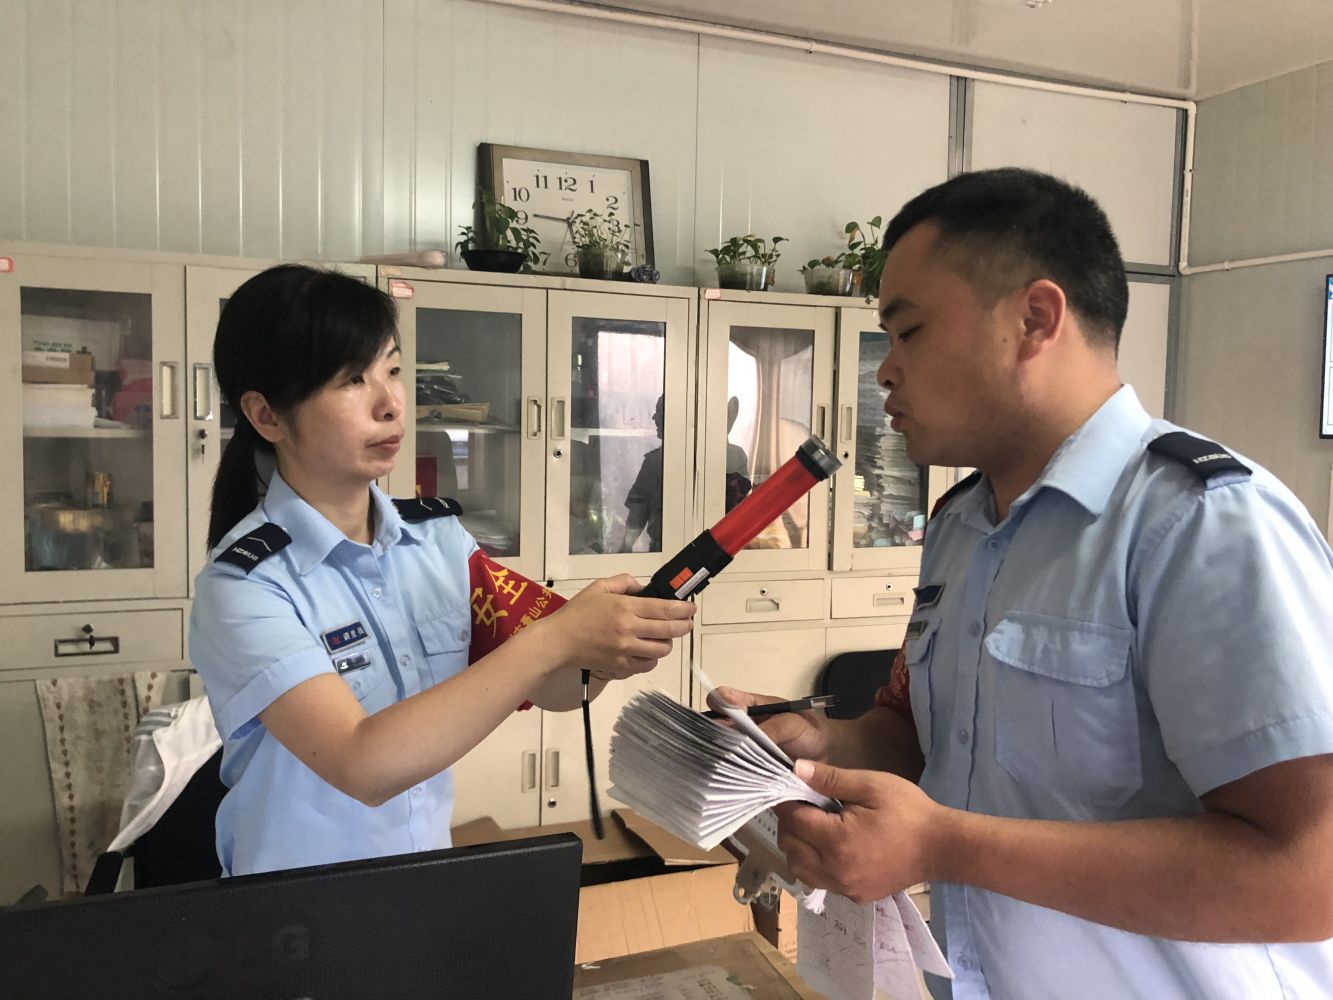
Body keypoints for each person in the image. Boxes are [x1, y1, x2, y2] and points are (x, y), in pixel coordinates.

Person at [721, 168, 1333, 999]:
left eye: (909, 332)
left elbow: (1308, 874)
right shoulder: (960, 525)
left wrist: (942, 846)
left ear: (1034, 319)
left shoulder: (1200, 523)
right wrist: (825, 746)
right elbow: (933, 739)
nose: (885, 372)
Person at [189, 264, 694, 878]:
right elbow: (362, 764)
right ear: (267, 416)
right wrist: (560, 637)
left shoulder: (437, 540)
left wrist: (607, 651)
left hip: (424, 884)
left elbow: (555, 689)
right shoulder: (244, 586)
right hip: (297, 909)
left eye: (392, 370)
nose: (390, 403)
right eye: (352, 380)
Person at [621, 394, 665, 553]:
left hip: (662, 552)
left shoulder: (655, 462)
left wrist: (625, 549)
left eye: (660, 412)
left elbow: (637, 515)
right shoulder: (715, 459)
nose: (654, 417)